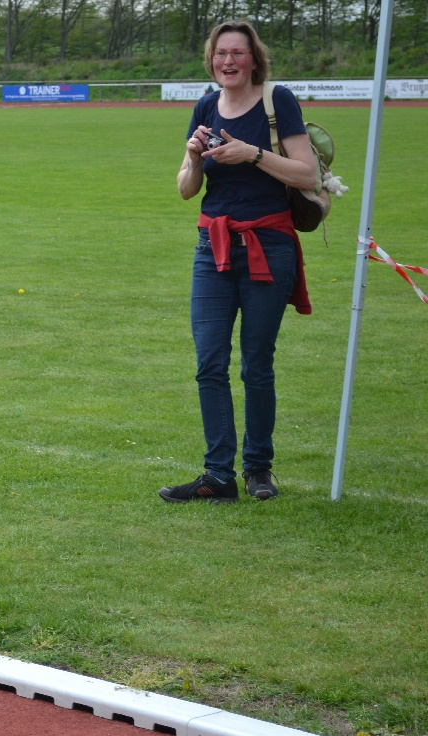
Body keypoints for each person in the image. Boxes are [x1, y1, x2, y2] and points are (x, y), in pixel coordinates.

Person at [160, 20, 318, 504]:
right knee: (209, 363)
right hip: (213, 247)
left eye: (238, 53)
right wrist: (195, 158)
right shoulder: (206, 106)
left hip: (268, 244)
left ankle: (258, 469)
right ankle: (218, 475)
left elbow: (307, 173)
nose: (228, 61)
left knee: (256, 364)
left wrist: (252, 154)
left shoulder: (277, 101)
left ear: (254, 60)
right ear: (212, 59)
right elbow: (186, 190)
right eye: (221, 53)